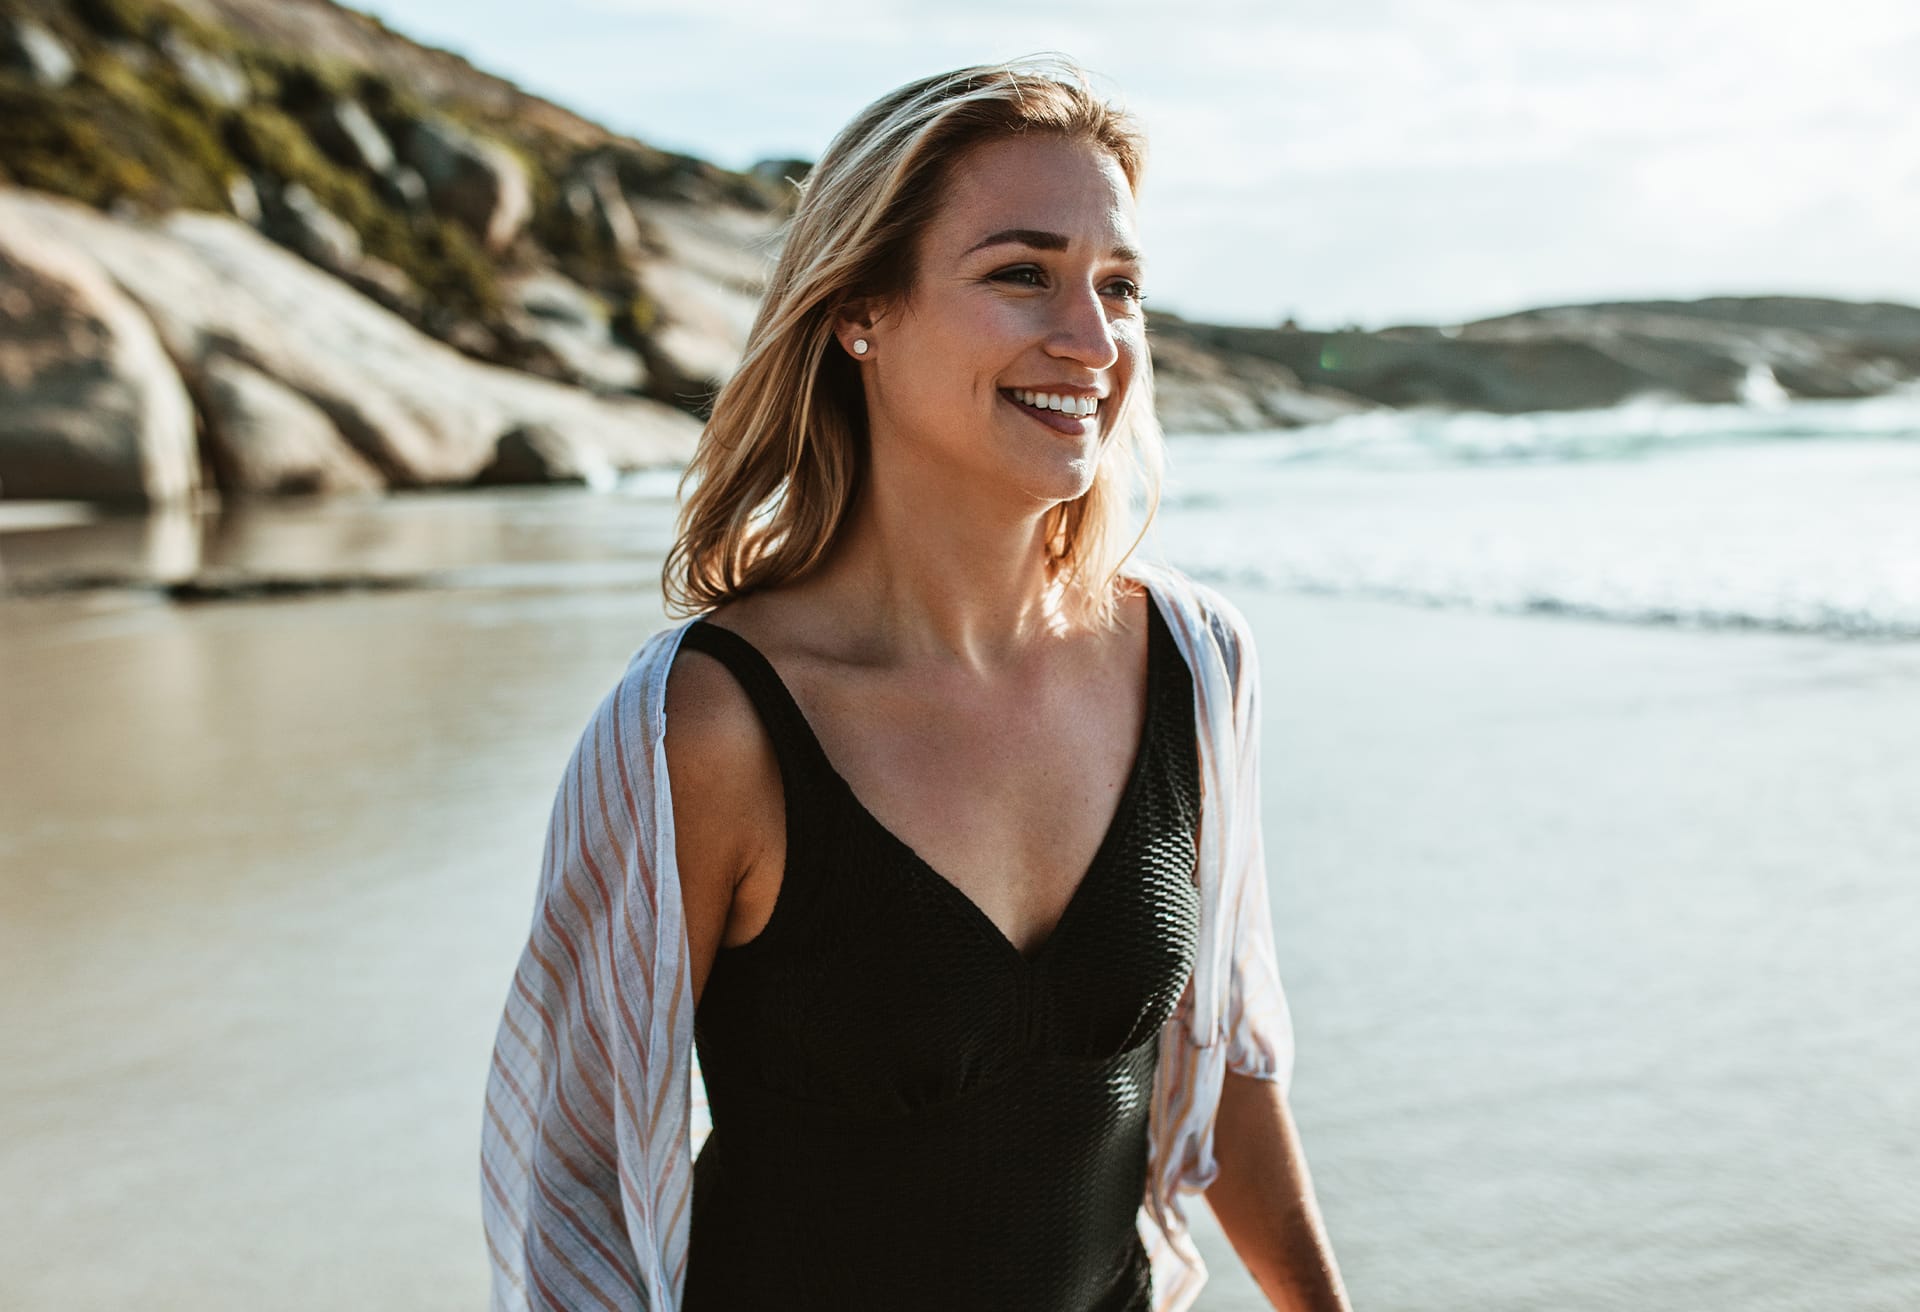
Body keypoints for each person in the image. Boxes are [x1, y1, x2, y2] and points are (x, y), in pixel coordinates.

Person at [480, 56, 1350, 1312]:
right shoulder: (709, 721)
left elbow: (1224, 1068)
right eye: (1021, 274)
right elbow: (570, 1187)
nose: (1095, 342)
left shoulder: (1195, 663)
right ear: (860, 312)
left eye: (1121, 288)